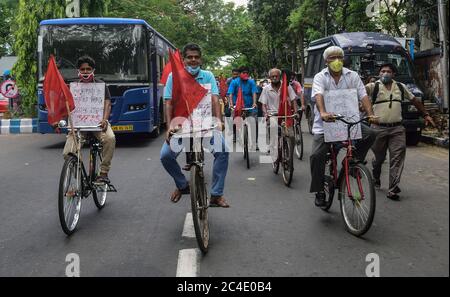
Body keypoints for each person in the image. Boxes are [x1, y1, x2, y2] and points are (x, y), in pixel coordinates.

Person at [160, 43, 230, 208]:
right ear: (184, 60)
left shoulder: (208, 76)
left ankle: (216, 194)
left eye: (196, 57)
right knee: (165, 156)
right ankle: (182, 185)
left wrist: (219, 120)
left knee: (224, 151)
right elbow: (168, 102)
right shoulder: (173, 77)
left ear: (201, 59)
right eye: (189, 57)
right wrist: (169, 126)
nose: (193, 60)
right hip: (180, 127)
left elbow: (214, 99)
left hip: (205, 126)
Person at [310, 46, 376, 207]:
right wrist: (323, 112)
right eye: (332, 58)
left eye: (339, 57)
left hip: (349, 122)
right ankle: (319, 190)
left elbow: (363, 95)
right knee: (316, 156)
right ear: (326, 61)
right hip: (326, 124)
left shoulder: (352, 76)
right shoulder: (320, 77)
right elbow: (318, 95)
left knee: (370, 134)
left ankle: (353, 162)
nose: (336, 60)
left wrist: (371, 113)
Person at [366, 63, 435, 200]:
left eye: (388, 71)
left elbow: (414, 100)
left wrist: (426, 114)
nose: (385, 74)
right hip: (378, 129)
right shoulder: (373, 87)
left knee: (397, 158)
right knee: (379, 159)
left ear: (393, 74)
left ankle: (392, 188)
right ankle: (376, 175)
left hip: (397, 129)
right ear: (379, 74)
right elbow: (360, 93)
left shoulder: (400, 87)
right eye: (382, 71)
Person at [62, 55, 116, 184]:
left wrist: (104, 119)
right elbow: (67, 106)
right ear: (78, 71)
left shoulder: (101, 85)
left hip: (98, 124)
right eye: (82, 69)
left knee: (110, 138)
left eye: (88, 69)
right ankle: (79, 175)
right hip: (79, 126)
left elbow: (107, 103)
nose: (85, 71)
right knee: (68, 153)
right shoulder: (73, 87)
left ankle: (103, 173)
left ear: (93, 70)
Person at [258, 68, 299, 156]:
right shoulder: (266, 89)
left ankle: (290, 155)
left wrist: (295, 112)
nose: (274, 78)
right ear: (269, 77)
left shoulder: (287, 87)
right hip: (273, 114)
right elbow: (263, 104)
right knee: (274, 132)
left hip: (285, 114)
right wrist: (265, 114)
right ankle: (273, 146)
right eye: (272, 76)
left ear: (280, 76)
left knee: (291, 136)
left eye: (276, 76)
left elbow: (293, 100)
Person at [227, 66, 259, 149]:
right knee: (233, 120)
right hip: (236, 105)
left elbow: (254, 93)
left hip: (249, 105)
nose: (245, 74)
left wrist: (254, 103)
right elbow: (230, 93)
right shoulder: (234, 82)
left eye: (247, 73)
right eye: (243, 73)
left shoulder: (251, 82)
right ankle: (235, 135)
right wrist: (231, 104)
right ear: (239, 74)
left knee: (254, 122)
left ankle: (255, 142)